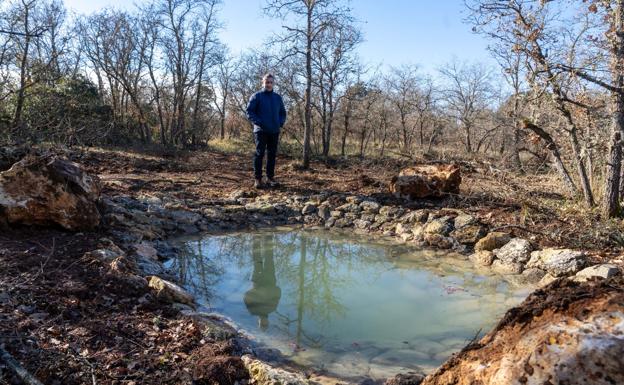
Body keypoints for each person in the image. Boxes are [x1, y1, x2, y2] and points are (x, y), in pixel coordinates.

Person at [246, 73, 287, 189]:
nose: (269, 84)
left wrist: (280, 123)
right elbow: (249, 111)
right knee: (259, 154)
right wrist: (259, 122)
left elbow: (283, 113)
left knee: (272, 155)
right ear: (263, 83)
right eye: (267, 82)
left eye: (271, 82)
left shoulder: (277, 97)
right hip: (261, 131)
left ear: (273, 83)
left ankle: (270, 178)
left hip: (274, 130)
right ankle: (258, 179)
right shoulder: (256, 96)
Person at [243, 235, 281, 331]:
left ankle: (256, 239)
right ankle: (268, 238)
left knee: (257, 260)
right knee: (269, 257)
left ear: (259, 322)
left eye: (262, 324)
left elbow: (246, 295)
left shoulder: (253, 310)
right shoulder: (272, 308)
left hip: (258, 281)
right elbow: (278, 291)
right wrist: (268, 290)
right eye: (265, 324)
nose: (264, 322)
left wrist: (257, 291)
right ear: (268, 322)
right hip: (270, 280)